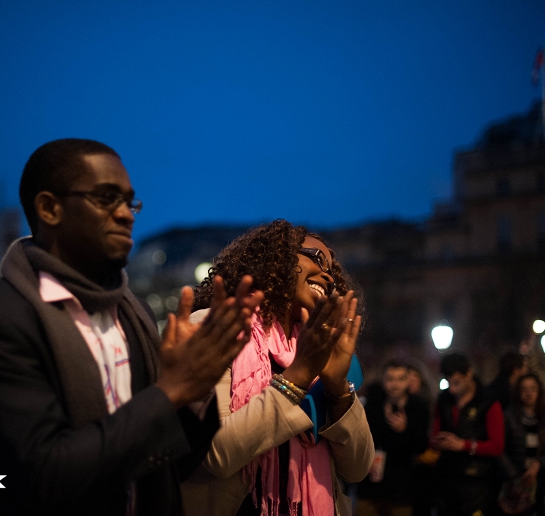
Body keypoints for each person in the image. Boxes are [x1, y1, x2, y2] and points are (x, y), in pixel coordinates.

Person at [0, 138, 262, 515]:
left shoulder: (135, 314)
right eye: (106, 198)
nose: (126, 214)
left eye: (129, 201)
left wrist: (196, 391)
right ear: (49, 208)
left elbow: (172, 462)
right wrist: (171, 391)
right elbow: (45, 475)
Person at [182, 219, 374, 516]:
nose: (326, 274)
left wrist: (338, 390)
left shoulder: (326, 350)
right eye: (317, 258)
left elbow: (358, 469)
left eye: (332, 269)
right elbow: (217, 454)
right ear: (276, 259)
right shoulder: (214, 325)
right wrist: (298, 376)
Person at [431, 352, 504, 516]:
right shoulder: (444, 399)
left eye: (457, 382)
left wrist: (463, 445)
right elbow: (434, 433)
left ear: (469, 374)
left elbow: (497, 446)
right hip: (447, 480)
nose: (452, 388)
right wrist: (438, 441)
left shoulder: (488, 402)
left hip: (477, 482)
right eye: (448, 383)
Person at [356, 360, 429, 516]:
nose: (395, 384)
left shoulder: (418, 407)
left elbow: (421, 445)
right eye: (390, 379)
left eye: (400, 379)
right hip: (370, 486)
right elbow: (360, 439)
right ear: (383, 380)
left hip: (401, 488)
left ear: (408, 380)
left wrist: (405, 430)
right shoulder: (372, 405)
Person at [499, 373, 545, 515]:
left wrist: (539, 464)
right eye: (524, 389)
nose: (529, 393)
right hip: (515, 481)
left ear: (539, 391)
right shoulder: (509, 416)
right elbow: (500, 449)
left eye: (533, 389)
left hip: (541, 480)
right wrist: (516, 476)